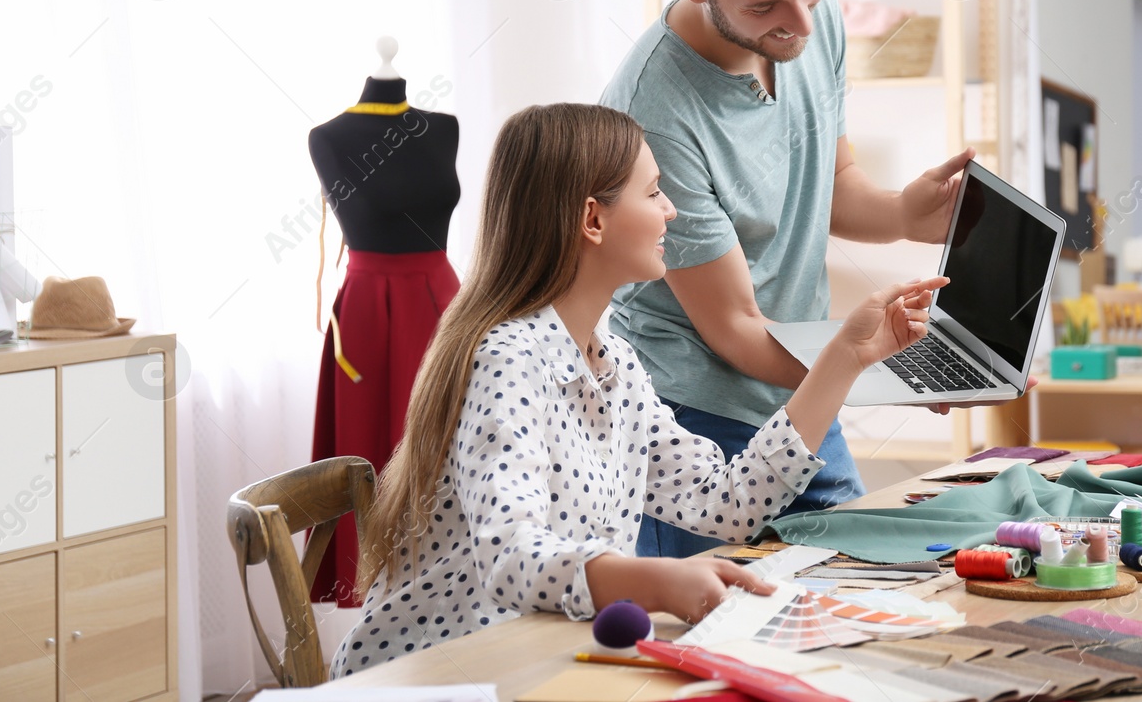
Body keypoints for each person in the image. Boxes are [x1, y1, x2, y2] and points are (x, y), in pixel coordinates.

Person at [329, 103, 944, 676]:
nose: (671, 210)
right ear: (592, 219)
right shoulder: (507, 360)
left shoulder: (615, 363)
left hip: (539, 660)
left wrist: (844, 358)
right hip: (441, 676)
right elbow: (511, 557)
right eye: (653, 192)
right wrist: (653, 581)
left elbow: (724, 500)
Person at [601, 0, 972, 558]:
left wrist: (900, 214)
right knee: (712, 644)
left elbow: (828, 181)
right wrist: (893, 368)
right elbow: (736, 328)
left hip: (805, 382)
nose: (801, 21)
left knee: (856, 592)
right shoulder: (654, 111)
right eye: (766, 7)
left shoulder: (811, 18)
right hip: (696, 418)